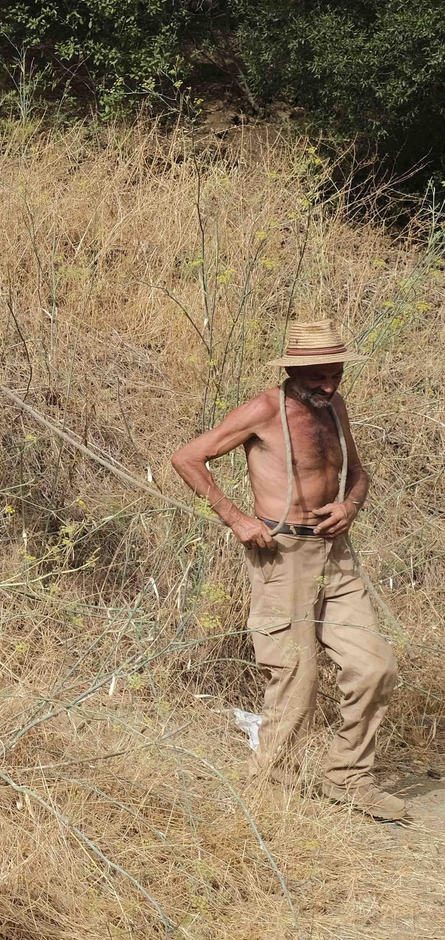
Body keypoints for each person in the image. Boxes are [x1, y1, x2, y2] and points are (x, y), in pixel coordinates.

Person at [170, 318, 406, 822]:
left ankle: (347, 777)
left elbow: (358, 474)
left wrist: (351, 506)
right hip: (283, 557)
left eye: (336, 373)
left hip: (337, 556)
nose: (329, 384)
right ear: (295, 369)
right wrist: (236, 519)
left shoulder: (334, 408)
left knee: (374, 667)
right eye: (319, 375)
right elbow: (188, 457)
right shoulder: (263, 409)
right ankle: (267, 793)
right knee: (296, 679)